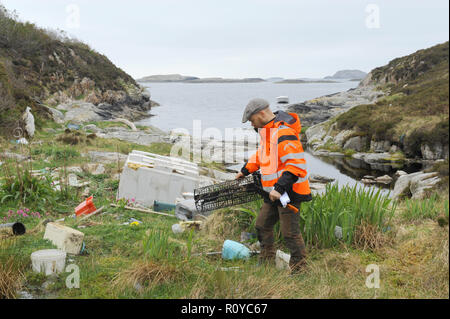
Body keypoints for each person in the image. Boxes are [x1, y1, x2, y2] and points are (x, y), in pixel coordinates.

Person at [235, 98, 312, 274]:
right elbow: (261, 155)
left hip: (288, 193)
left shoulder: (283, 132)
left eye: (252, 120)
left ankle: (300, 271)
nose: (251, 124)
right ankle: (266, 261)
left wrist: (279, 188)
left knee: (290, 233)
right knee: (262, 225)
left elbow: (295, 164)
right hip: (272, 193)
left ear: (261, 113)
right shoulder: (268, 132)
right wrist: (245, 170)